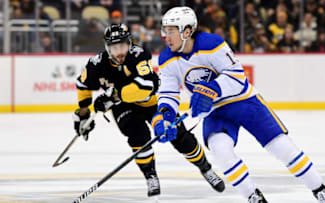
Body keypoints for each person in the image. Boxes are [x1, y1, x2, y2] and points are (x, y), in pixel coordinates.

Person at [151, 7, 325, 203]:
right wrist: (165, 116)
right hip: (215, 112)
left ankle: (321, 192)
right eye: (165, 30)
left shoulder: (211, 43)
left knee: (282, 147)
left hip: (244, 102)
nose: (166, 36)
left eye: (171, 31)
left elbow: (237, 76)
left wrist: (212, 88)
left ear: (186, 31)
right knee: (221, 152)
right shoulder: (166, 59)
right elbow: (168, 94)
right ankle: (254, 197)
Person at [73, 23, 225, 199]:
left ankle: (205, 168)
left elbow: (145, 87)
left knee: (180, 138)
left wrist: (114, 96)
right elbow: (83, 85)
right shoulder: (96, 64)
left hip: (152, 103)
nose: (120, 51)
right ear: (107, 48)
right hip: (125, 108)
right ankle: (150, 176)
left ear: (129, 43)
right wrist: (83, 113)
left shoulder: (139, 54)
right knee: (138, 135)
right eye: (114, 47)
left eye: (122, 45)